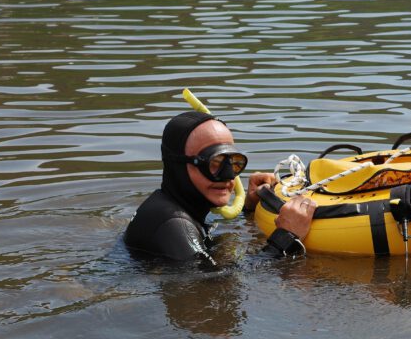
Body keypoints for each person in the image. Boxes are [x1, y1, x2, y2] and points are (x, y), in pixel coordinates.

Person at [124, 110, 316, 263]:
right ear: (179, 166)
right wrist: (287, 236)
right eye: (214, 162)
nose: (228, 176)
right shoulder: (173, 225)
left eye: (234, 162)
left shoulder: (174, 207)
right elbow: (213, 286)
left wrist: (249, 209)